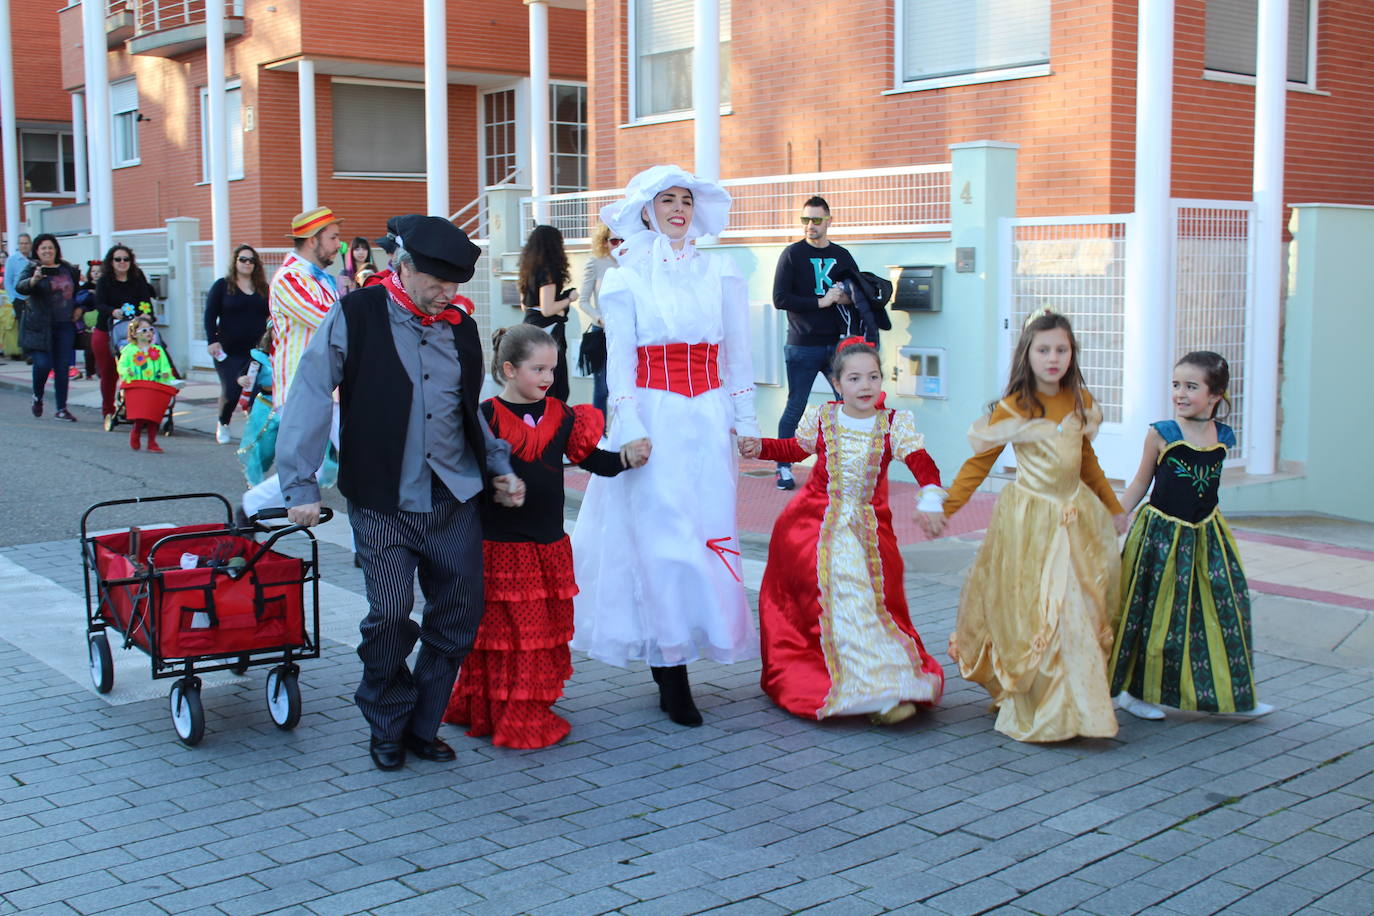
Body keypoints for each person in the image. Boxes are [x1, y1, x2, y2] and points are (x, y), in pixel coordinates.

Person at [278, 216, 525, 772]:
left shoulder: (460, 325)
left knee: (460, 614)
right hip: (384, 498)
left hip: (454, 498)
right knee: (389, 615)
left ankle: (422, 723)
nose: (448, 294)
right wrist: (301, 484)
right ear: (403, 267)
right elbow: (311, 394)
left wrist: (498, 466)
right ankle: (386, 718)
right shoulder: (357, 314)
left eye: (455, 284)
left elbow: (469, 409)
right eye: (437, 282)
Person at [570, 165, 760, 727]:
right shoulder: (625, 278)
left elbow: (739, 355)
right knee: (662, 538)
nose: (678, 209)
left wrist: (744, 421)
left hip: (705, 419)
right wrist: (628, 430)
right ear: (646, 212)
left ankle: (690, 643)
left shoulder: (721, 271)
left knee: (705, 535)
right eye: (666, 201)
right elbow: (621, 364)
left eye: (685, 200)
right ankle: (670, 667)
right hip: (653, 418)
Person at [928, 309, 1127, 743]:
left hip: (1075, 520)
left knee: (1078, 607)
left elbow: (1087, 462)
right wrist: (948, 505)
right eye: (1043, 349)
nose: (1053, 358)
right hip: (1029, 523)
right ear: (1027, 354)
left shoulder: (1080, 401)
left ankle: (1076, 706)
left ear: (1071, 354)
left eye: (1061, 349)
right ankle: (1040, 703)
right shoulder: (1015, 407)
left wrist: (1112, 506)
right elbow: (978, 465)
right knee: (1036, 609)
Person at [444, 325, 643, 749]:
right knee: (505, 636)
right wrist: (495, 485)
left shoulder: (565, 415)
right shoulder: (486, 416)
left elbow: (592, 459)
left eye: (552, 368)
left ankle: (526, 705)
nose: (548, 377)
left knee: (538, 635)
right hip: (500, 547)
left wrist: (625, 458)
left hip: (548, 543)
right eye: (538, 368)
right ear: (509, 369)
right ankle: (503, 709)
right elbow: (465, 473)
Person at [741, 337, 946, 724]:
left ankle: (886, 684)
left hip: (868, 533)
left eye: (873, 376)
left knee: (871, 606)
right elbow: (794, 450)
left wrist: (931, 495)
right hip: (813, 528)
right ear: (837, 384)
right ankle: (857, 687)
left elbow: (921, 461)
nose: (865, 385)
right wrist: (760, 448)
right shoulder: (823, 417)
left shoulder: (893, 424)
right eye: (854, 378)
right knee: (835, 605)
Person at [1110, 352, 1274, 721]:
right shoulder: (1161, 433)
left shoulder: (1223, 436)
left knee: (1228, 607)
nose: (1180, 393)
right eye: (1176, 385)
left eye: (1191, 386)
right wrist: (1118, 514)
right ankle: (1136, 693)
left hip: (1207, 536)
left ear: (1215, 395)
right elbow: (1141, 481)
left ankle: (1236, 695)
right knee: (1154, 614)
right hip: (1161, 536)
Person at [241, 207, 343, 520]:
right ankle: (249, 508)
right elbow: (333, 319)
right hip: (304, 389)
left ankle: (249, 508)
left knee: (326, 467)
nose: (340, 244)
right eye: (333, 237)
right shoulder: (290, 278)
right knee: (321, 467)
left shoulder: (317, 277)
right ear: (313, 241)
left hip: (328, 388)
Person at [771, 196, 861, 491]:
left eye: (816, 220)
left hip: (837, 345)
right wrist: (820, 301)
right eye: (805, 220)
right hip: (802, 345)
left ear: (829, 220)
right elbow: (780, 298)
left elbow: (860, 294)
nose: (810, 226)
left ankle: (846, 468)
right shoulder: (792, 254)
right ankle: (783, 467)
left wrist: (844, 296)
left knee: (848, 405)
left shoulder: (842, 255)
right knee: (796, 407)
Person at [205, 244, 271, 444]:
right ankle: (223, 422)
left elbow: (271, 315)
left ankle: (253, 433)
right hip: (227, 350)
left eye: (251, 260)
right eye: (243, 259)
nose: (247, 263)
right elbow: (210, 315)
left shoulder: (263, 288)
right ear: (235, 262)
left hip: (255, 352)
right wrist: (212, 340)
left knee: (255, 392)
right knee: (232, 390)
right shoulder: (222, 286)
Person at [17, 234, 83, 421]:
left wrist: (80, 307)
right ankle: (38, 397)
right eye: (43, 248)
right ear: (37, 251)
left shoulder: (67, 269)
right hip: (39, 326)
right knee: (43, 365)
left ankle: (61, 408)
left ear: (56, 250)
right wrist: (34, 280)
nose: (47, 251)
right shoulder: (32, 269)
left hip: (64, 325)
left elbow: (79, 293)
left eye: (50, 247)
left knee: (62, 367)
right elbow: (20, 287)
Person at [90, 245, 157, 426]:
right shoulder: (105, 281)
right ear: (111, 262)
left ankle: (135, 409)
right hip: (107, 330)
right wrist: (113, 311)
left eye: (126, 259)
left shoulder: (137, 279)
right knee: (109, 374)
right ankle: (108, 411)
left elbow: (146, 302)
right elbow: (99, 304)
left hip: (133, 333)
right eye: (118, 259)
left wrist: (147, 315)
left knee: (136, 371)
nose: (122, 263)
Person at [519, 225, 578, 403]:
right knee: (555, 388)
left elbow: (525, 305)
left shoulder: (527, 270)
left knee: (534, 386)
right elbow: (547, 309)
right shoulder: (549, 271)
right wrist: (569, 298)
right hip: (548, 334)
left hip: (529, 328)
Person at [117, 315, 176, 452]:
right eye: (144, 330)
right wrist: (127, 371)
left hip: (155, 386)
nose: (148, 333)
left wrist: (166, 373)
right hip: (138, 387)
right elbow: (122, 366)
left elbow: (165, 366)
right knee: (141, 414)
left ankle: (152, 441)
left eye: (150, 330)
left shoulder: (157, 350)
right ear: (134, 334)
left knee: (154, 416)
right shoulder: (129, 350)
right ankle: (136, 432)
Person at [578, 223, 620, 414]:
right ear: (604, 242)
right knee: (602, 387)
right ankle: (598, 434)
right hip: (602, 332)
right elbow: (584, 301)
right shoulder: (595, 263)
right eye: (614, 241)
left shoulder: (634, 263)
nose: (618, 245)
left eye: (623, 240)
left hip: (629, 332)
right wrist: (600, 318)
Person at [235, 330, 277, 486]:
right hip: (266, 405)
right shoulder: (259, 357)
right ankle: (254, 480)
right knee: (264, 447)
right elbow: (243, 373)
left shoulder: (296, 352)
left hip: (291, 404)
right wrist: (242, 379)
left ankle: (296, 483)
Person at [4, 233, 31, 360]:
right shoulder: (12, 260)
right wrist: (13, 299)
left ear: (30, 244)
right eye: (21, 243)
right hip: (19, 298)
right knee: (23, 326)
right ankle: (26, 353)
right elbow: (8, 281)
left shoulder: (34, 259)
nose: (24, 246)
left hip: (34, 299)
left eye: (26, 243)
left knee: (34, 325)